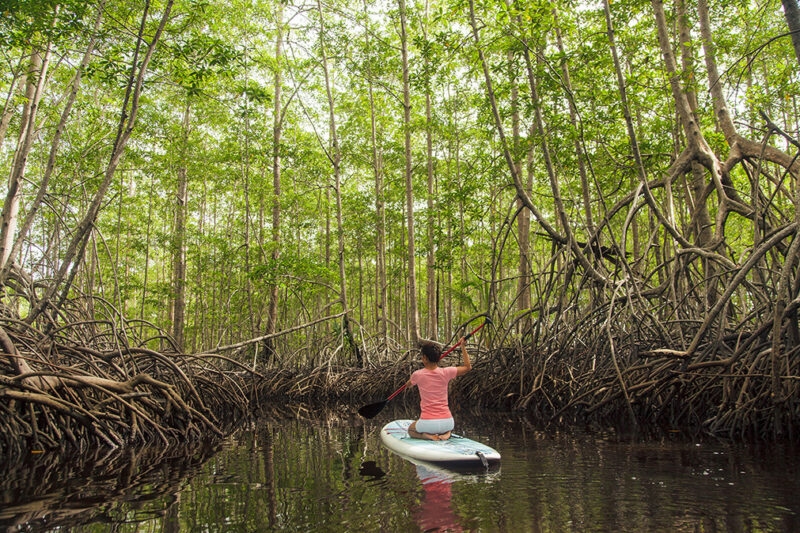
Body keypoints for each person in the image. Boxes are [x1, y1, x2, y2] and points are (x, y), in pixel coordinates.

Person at [405, 337, 471, 441]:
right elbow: (468, 367)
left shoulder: (417, 375)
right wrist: (463, 346)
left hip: (428, 424)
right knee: (446, 428)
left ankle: (426, 436)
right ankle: (447, 434)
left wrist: (409, 382)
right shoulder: (446, 372)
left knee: (410, 430)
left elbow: (408, 385)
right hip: (448, 422)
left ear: (425, 358)